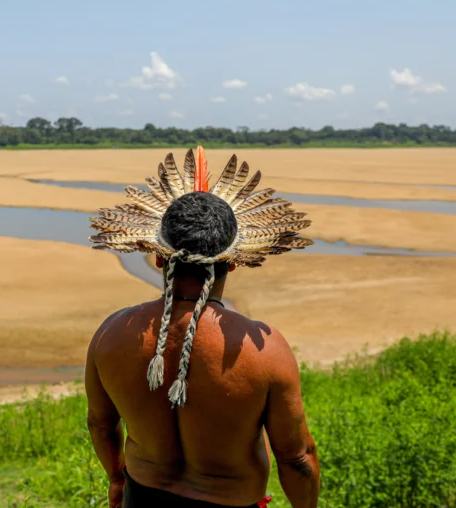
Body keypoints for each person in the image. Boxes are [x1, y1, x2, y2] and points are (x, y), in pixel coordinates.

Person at [86, 147, 320, 507]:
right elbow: (297, 457)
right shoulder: (266, 351)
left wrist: (117, 480)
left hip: (143, 496)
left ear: (159, 256)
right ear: (235, 261)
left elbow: (100, 426)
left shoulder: (111, 333)